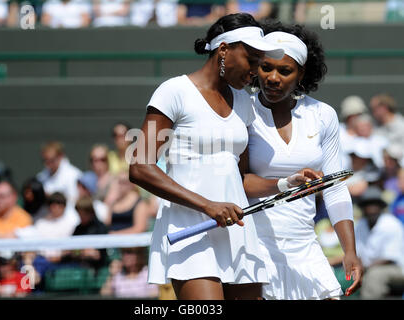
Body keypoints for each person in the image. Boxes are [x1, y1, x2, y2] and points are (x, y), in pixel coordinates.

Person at [128, 13, 319, 300]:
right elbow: (140, 167)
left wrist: (285, 183)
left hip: (238, 231)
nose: (257, 71)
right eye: (252, 59)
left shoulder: (243, 101)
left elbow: (240, 179)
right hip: (191, 229)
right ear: (224, 50)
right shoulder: (174, 91)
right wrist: (207, 206)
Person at [246, 23, 363, 299]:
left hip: (305, 245)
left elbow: (335, 186)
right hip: (254, 246)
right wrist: (285, 183)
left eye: (285, 71)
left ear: (301, 75)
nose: (273, 78)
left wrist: (349, 251)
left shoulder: (323, 115)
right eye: (266, 68)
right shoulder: (242, 110)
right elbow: (239, 181)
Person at [354, 186, 404, 299]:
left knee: (375, 275)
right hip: (368, 268)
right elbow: (358, 253)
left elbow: (389, 258)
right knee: (344, 276)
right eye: (368, 205)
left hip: (397, 269)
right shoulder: (360, 225)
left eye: (374, 204)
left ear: (380, 207)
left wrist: (365, 268)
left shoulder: (391, 224)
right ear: (363, 208)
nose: (371, 208)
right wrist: (359, 267)